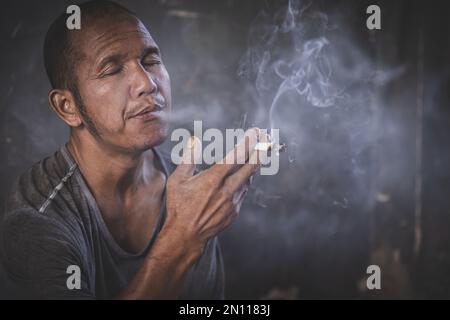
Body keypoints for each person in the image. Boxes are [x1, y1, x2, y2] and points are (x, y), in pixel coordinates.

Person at [0, 0, 267, 299]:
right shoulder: (37, 220)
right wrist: (182, 236)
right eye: (112, 69)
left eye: (150, 60)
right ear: (68, 107)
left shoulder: (191, 191)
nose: (146, 83)